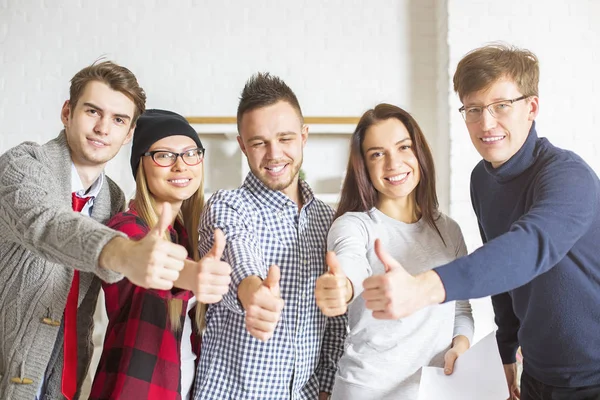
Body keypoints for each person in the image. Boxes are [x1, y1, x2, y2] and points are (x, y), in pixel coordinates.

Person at [362, 44, 600, 400]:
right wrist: (506, 350)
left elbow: (527, 248)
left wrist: (423, 289)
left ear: (531, 108)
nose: (486, 123)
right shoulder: (482, 179)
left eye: (501, 106)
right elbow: (502, 270)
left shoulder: (568, 176)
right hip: (536, 373)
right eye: (473, 109)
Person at [0, 62, 190, 400]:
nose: (103, 128)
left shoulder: (113, 199)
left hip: (65, 382)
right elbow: (48, 225)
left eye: (118, 120)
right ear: (67, 112)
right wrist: (122, 252)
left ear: (129, 133)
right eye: (93, 111)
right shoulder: (22, 165)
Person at [194, 73, 347, 400]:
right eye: (259, 142)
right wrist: (253, 293)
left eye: (285, 138)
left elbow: (334, 324)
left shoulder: (327, 219)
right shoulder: (228, 206)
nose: (274, 154)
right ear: (242, 145)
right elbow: (238, 255)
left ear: (304, 136)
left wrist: (326, 389)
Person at [315, 103, 473, 399]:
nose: (393, 164)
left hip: (434, 390)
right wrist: (341, 287)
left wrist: (460, 345)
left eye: (403, 147)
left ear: (419, 153)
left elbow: (460, 308)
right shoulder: (354, 226)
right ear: (363, 165)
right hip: (367, 391)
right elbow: (350, 267)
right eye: (377, 154)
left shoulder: (448, 230)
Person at [89, 109, 232, 400]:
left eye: (191, 153)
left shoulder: (191, 235)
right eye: (164, 155)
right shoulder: (125, 230)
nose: (181, 166)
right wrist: (191, 274)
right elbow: (154, 263)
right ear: (141, 165)